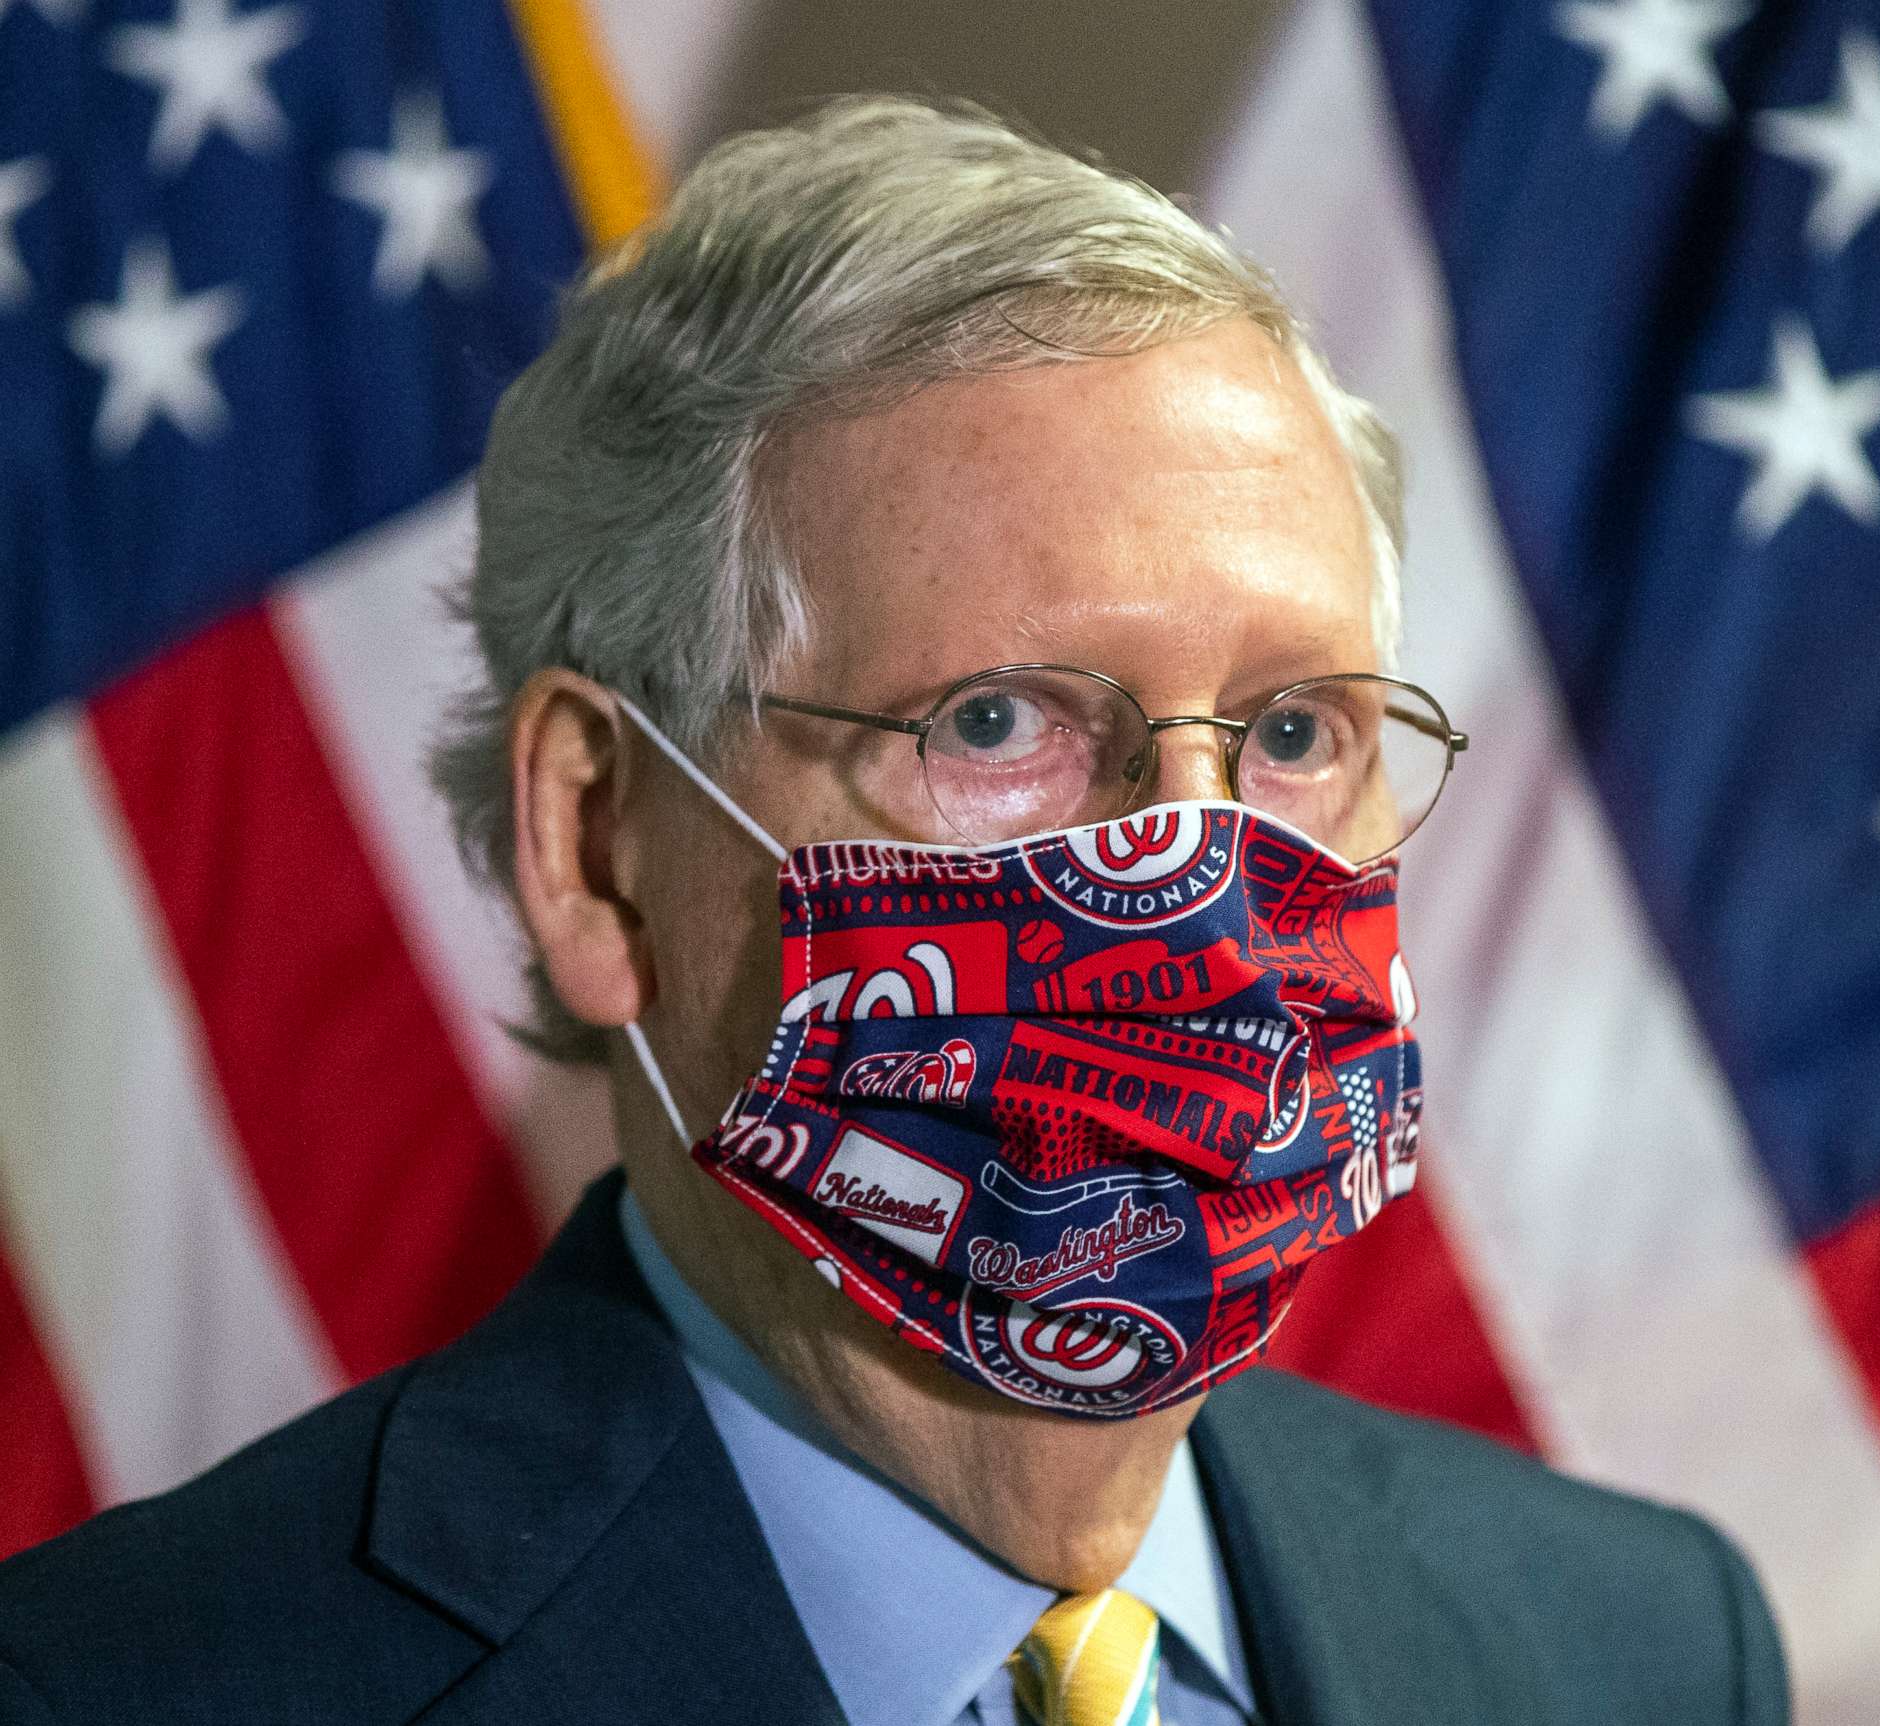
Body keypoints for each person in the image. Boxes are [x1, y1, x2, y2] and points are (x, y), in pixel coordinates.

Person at [0, 97, 1785, 1725]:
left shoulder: (1638, 1643)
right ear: (600, 841)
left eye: (1296, 730)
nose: (1201, 881)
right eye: (997, 720)